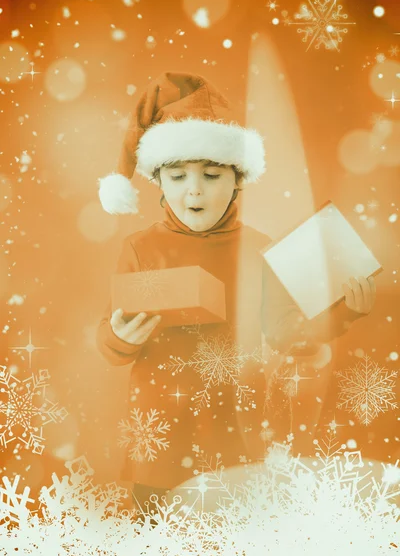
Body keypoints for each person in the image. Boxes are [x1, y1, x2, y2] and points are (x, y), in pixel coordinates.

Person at [96, 71, 376, 513]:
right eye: (177, 176)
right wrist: (118, 339)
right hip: (161, 438)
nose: (194, 189)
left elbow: (284, 333)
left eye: (210, 174)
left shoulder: (260, 249)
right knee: (157, 554)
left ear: (237, 180)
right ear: (160, 182)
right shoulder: (141, 247)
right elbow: (111, 339)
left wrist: (343, 315)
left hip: (235, 433)